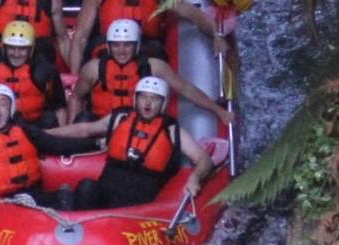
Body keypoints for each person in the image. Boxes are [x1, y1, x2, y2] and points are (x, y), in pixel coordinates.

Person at [43, 77, 212, 210]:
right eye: (143, 97)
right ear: (135, 99)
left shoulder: (171, 130)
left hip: (139, 202)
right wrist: (45, 134)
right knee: (86, 187)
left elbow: (203, 159)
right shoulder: (120, 118)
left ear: (163, 104)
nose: (148, 103)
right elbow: (84, 130)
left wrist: (195, 178)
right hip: (107, 191)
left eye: (155, 99)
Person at [69, 19, 229, 123]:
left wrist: (218, 111)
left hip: (138, 126)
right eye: (116, 45)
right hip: (100, 126)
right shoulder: (93, 69)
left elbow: (185, 88)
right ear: (109, 47)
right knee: (83, 119)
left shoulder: (154, 66)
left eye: (127, 45)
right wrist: (71, 125)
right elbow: (76, 98)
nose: (121, 51)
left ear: (136, 46)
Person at [66, 0, 229, 65]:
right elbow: (81, 36)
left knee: (155, 53)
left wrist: (217, 35)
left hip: (146, 51)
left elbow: (194, 14)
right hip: (108, 50)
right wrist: (75, 77)